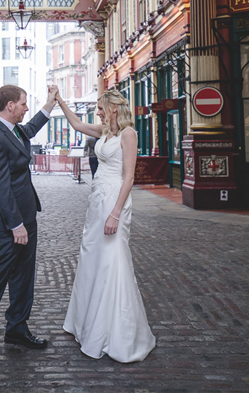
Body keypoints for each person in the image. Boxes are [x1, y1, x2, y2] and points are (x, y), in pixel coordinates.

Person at [56, 88, 156, 363]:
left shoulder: (128, 134)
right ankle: (85, 323)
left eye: (100, 107)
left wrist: (115, 214)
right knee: (93, 257)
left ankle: (117, 331)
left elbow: (128, 177)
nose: (97, 111)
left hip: (114, 200)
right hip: (96, 200)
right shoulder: (103, 132)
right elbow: (76, 124)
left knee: (113, 260)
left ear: (113, 108)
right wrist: (59, 100)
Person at [0, 84, 57, 365]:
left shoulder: (14, 129)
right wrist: (16, 225)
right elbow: (0, 185)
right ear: (10, 106)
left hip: (27, 217)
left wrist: (50, 104)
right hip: (6, 223)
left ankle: (17, 328)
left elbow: (29, 129)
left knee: (23, 275)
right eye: (23, 104)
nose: (26, 108)